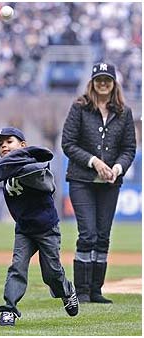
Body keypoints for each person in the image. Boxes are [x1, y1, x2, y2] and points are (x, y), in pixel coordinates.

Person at [0, 127, 79, 327]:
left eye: (9, 141)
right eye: (0, 144)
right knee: (17, 268)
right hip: (24, 229)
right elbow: (6, 169)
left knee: (52, 274)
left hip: (46, 228)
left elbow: (38, 175)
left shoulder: (35, 165)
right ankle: (9, 310)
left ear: (23, 145)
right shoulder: (4, 170)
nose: (4, 145)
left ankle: (67, 291)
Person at [61, 62, 136, 304]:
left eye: (107, 80)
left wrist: (117, 167)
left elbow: (129, 148)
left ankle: (96, 290)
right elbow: (68, 144)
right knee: (88, 234)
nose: (103, 84)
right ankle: (81, 291)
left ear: (114, 83)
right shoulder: (80, 108)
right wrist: (94, 162)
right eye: (99, 79)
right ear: (92, 82)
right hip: (81, 180)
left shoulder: (124, 113)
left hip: (110, 183)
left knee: (103, 235)